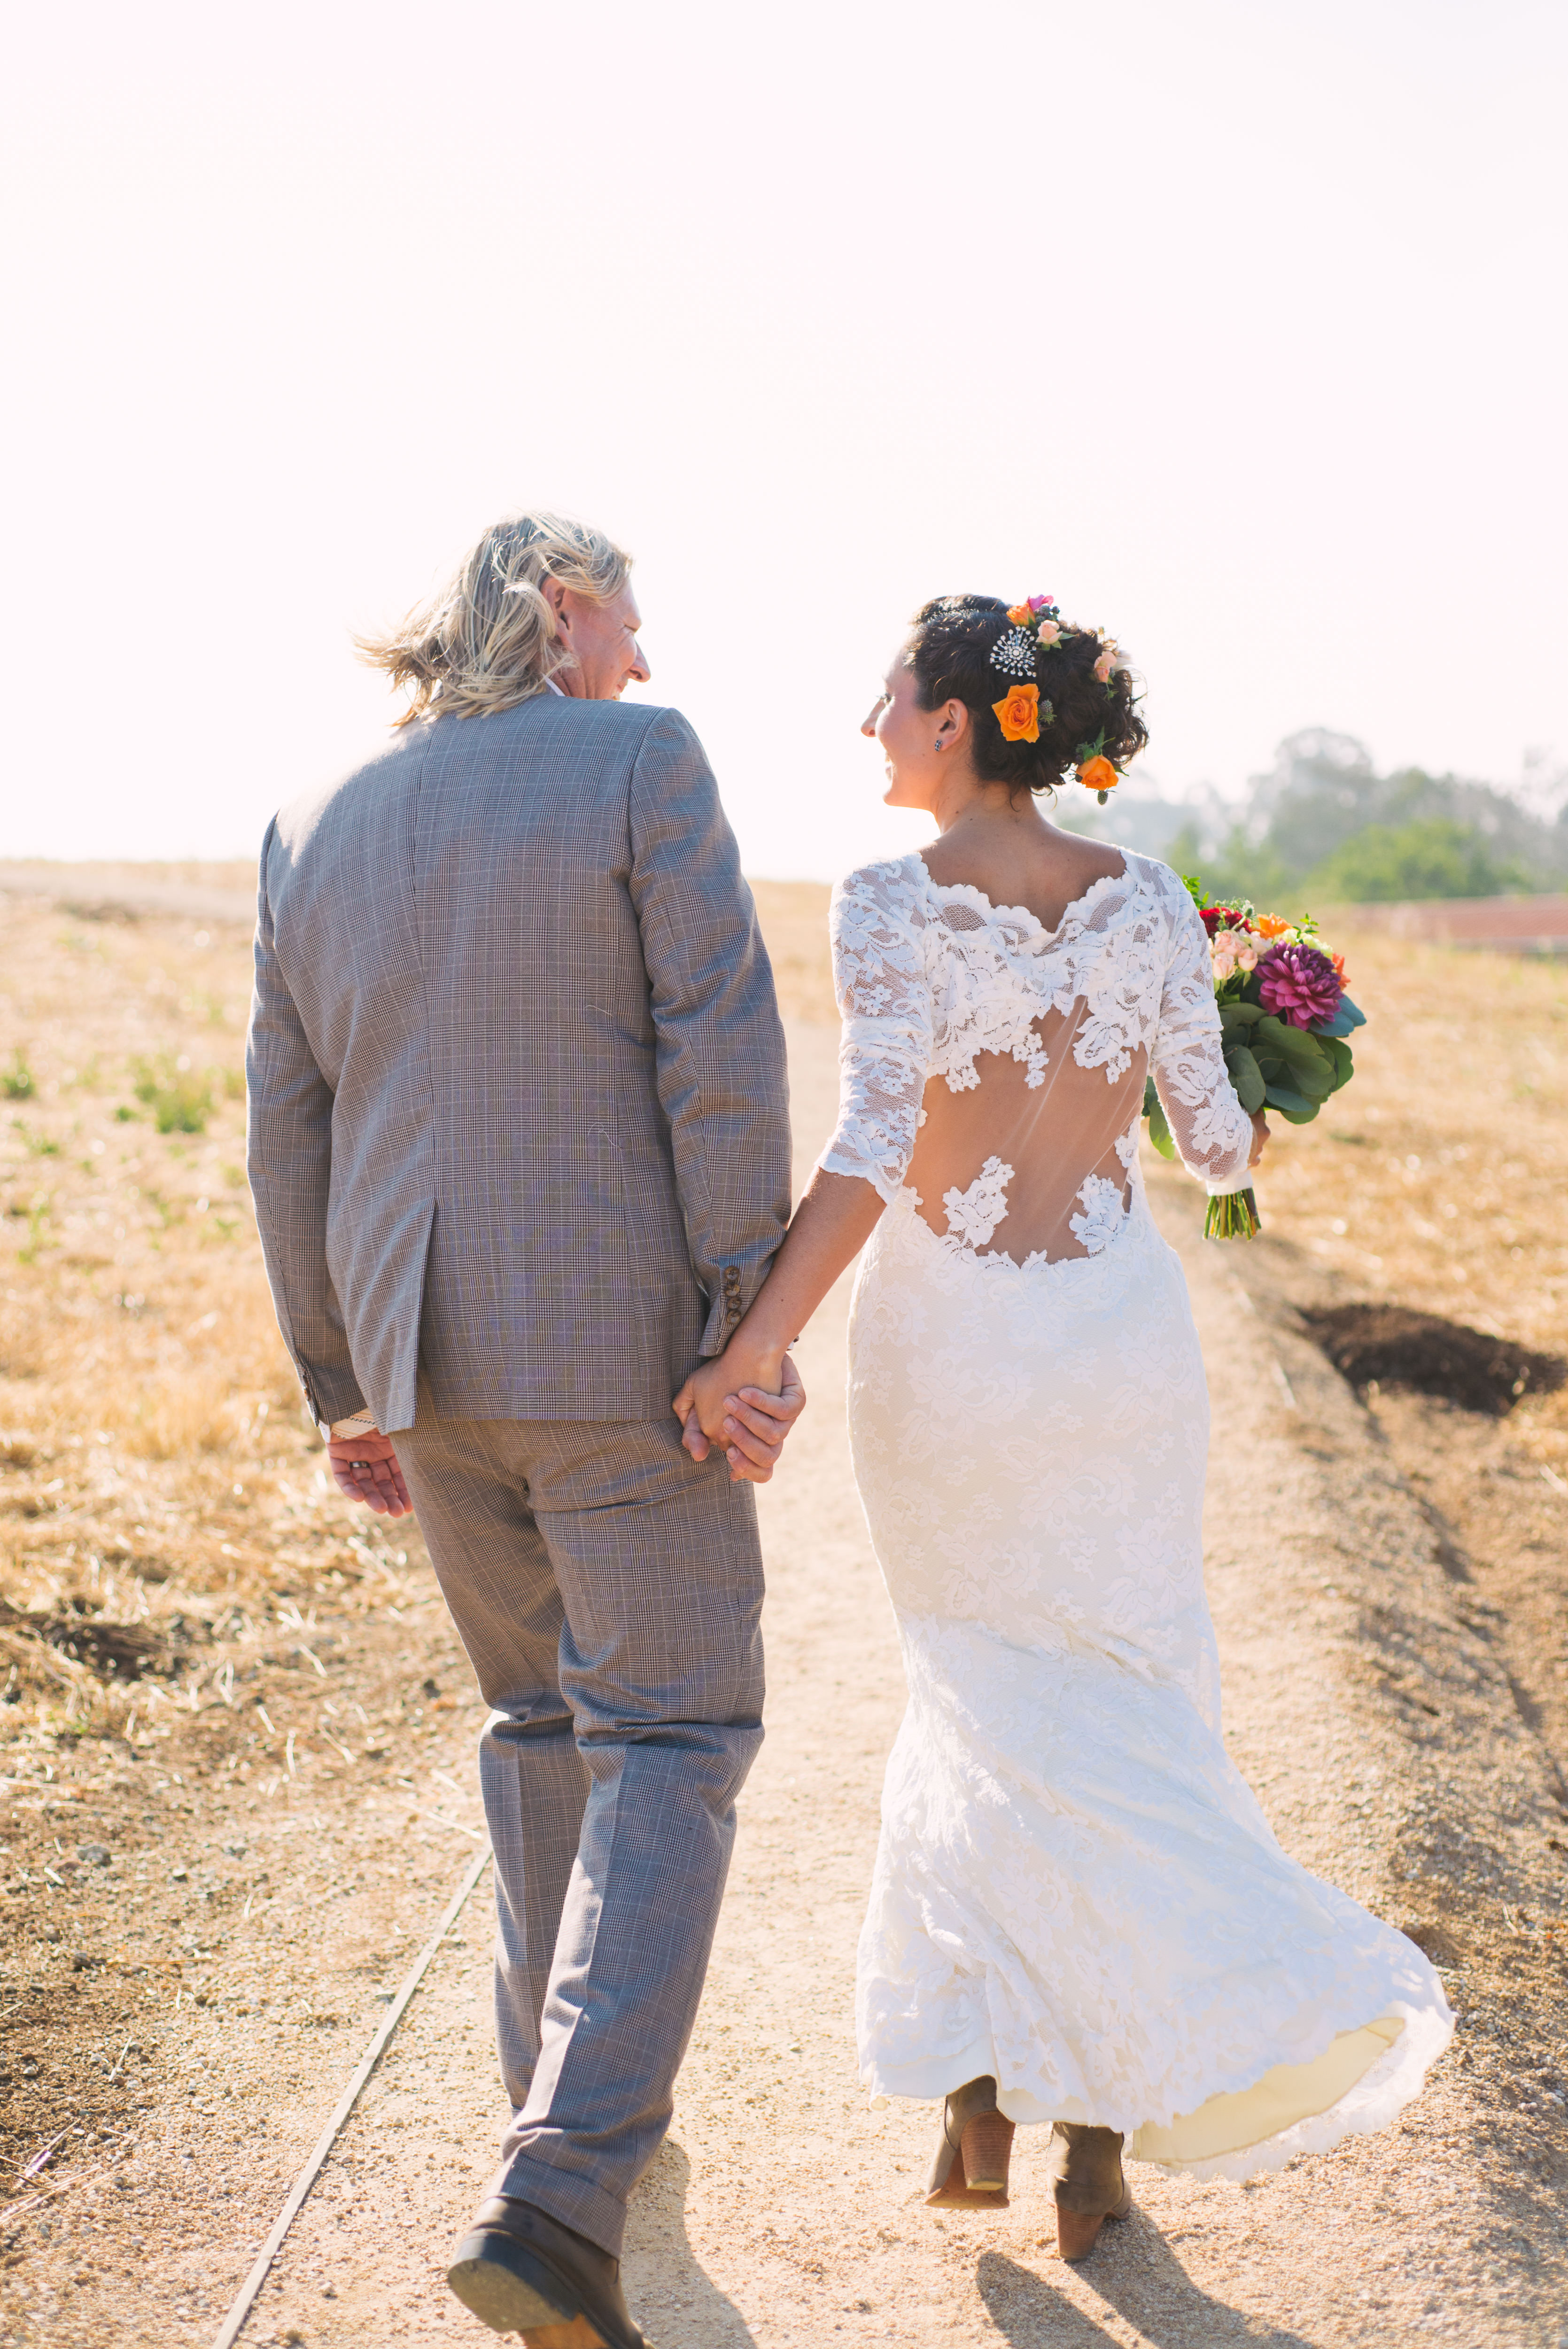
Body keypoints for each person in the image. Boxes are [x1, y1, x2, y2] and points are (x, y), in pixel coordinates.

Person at [675, 591, 1453, 2262]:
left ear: (957, 720)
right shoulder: (1153, 897)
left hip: (953, 1349)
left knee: (974, 1687)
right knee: (1124, 1683)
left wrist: (753, 1346)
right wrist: (1265, 1020)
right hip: (1111, 1339)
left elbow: (878, 1144)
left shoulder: (886, 904)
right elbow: (1221, 1150)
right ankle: (1090, 2137)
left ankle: (975, 2084)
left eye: (887, 694)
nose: (868, 721)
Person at [247, 510, 804, 2349]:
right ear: (564, 608)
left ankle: (559, 2153)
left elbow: (289, 1130)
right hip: (619, 1345)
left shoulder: (309, 817)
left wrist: (340, 1379)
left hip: (420, 1360)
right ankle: (563, 2189)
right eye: (630, 612)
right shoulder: (639, 755)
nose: (644, 653)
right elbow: (713, 1047)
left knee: (542, 1721)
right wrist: (743, 1325)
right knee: (672, 1720)